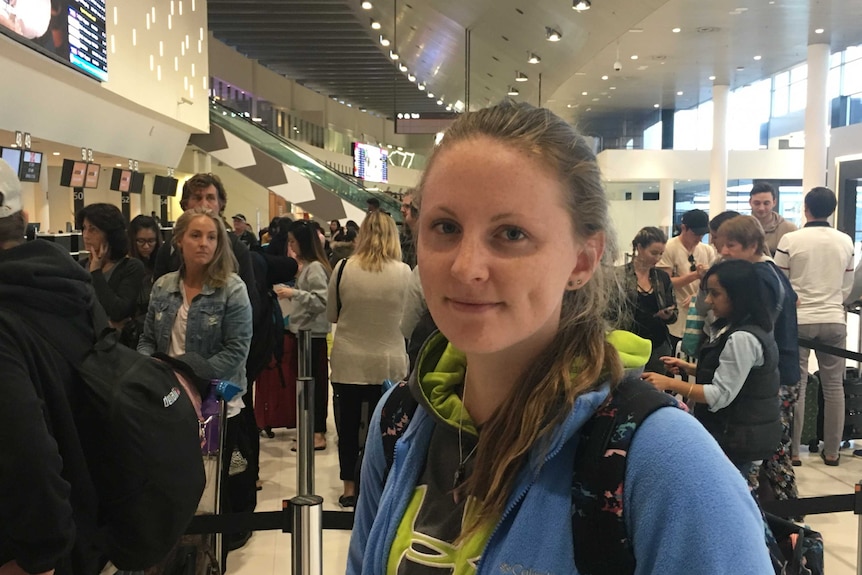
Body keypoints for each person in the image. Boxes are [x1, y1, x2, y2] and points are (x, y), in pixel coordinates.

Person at [348, 102, 771, 575]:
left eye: (511, 233)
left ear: (582, 260)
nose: (466, 268)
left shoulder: (666, 465)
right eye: (445, 227)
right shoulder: (400, 421)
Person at [0, 159, 103, 575]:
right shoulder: (74, 288)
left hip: (34, 548)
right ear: (24, 220)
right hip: (90, 517)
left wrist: (40, 558)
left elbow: (28, 451)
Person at [137, 207, 253, 551]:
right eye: (196, 235)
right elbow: (147, 339)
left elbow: (236, 351)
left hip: (215, 402)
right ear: (179, 241)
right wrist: (150, 374)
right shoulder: (163, 287)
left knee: (216, 485)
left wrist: (188, 379)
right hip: (167, 401)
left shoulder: (232, 289)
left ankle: (218, 546)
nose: (204, 243)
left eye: (212, 237)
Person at [643, 259, 782, 488]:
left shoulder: (742, 338)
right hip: (741, 432)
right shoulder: (743, 327)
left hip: (737, 435)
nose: (708, 301)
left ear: (738, 295)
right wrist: (690, 368)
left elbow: (720, 394)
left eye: (715, 294)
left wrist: (669, 383)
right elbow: (736, 374)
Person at [327, 211, 412, 509]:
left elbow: (332, 315)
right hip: (390, 362)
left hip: (349, 360)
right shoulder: (405, 272)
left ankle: (349, 488)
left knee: (347, 428)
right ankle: (382, 485)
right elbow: (411, 322)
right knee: (388, 428)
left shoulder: (342, 268)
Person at [717, 215, 800, 498]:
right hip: (781, 370)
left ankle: (786, 514)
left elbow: (758, 328)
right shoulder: (773, 272)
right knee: (772, 448)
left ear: (752, 245)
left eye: (732, 245)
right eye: (722, 244)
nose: (724, 252)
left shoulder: (760, 277)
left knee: (769, 448)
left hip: (774, 376)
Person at [775, 187, 854, 465]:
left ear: (805, 207)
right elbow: (846, 287)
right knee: (834, 387)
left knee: (798, 385)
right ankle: (832, 452)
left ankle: (794, 452)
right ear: (832, 209)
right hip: (834, 318)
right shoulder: (845, 241)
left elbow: (780, 283)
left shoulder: (790, 239)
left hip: (799, 322)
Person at [274, 219, 332, 451]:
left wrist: (294, 293)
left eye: (293, 242)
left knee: (313, 385)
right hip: (305, 332)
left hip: (313, 334)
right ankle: (311, 429)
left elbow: (321, 300)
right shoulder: (308, 266)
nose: (291, 247)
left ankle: (317, 431)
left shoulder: (315, 268)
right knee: (307, 385)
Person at [76, 203, 145, 335]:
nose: (85, 235)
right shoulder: (78, 268)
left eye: (93, 229)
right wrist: (106, 325)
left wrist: (96, 272)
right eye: (84, 228)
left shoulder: (131, 267)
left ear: (110, 234)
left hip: (119, 347)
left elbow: (118, 311)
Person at [618, 227, 677, 373]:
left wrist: (668, 314)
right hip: (628, 345)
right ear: (639, 248)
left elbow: (674, 312)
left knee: (654, 388)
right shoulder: (618, 276)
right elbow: (610, 314)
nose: (657, 258)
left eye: (661, 254)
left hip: (657, 344)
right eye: (654, 253)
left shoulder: (662, 278)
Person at [656, 208, 716, 348]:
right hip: (678, 314)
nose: (699, 238)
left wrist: (697, 296)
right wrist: (695, 275)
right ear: (684, 228)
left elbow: (713, 281)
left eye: (702, 234)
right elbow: (665, 281)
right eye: (696, 233)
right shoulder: (669, 247)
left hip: (701, 315)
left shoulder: (707, 250)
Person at [126, 214, 163, 348]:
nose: (146, 246)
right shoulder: (126, 267)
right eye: (141, 241)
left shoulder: (163, 265)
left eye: (151, 241)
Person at [749, 182, 796, 257]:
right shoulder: (741, 228)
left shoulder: (789, 229)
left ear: (774, 202)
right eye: (757, 203)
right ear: (750, 202)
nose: (761, 208)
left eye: (766, 203)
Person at [399, 191, 418, 268]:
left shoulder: (426, 238)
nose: (402, 210)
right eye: (402, 206)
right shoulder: (402, 235)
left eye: (407, 206)